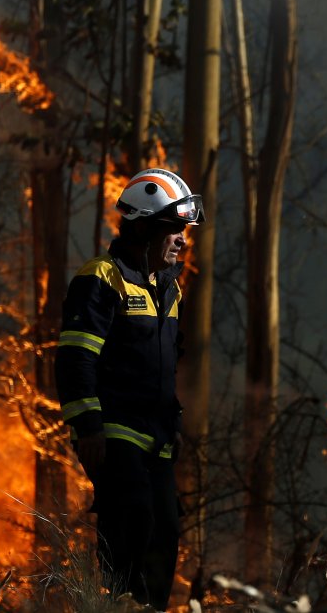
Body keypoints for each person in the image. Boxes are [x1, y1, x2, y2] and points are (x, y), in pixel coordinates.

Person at [55, 168, 203, 611]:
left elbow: (163, 367)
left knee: (165, 536)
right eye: (173, 229)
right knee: (132, 525)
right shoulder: (101, 278)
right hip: (114, 433)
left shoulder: (169, 289)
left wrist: (174, 421)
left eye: (184, 231)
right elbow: (76, 357)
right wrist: (88, 427)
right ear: (142, 228)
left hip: (158, 440)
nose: (182, 240)